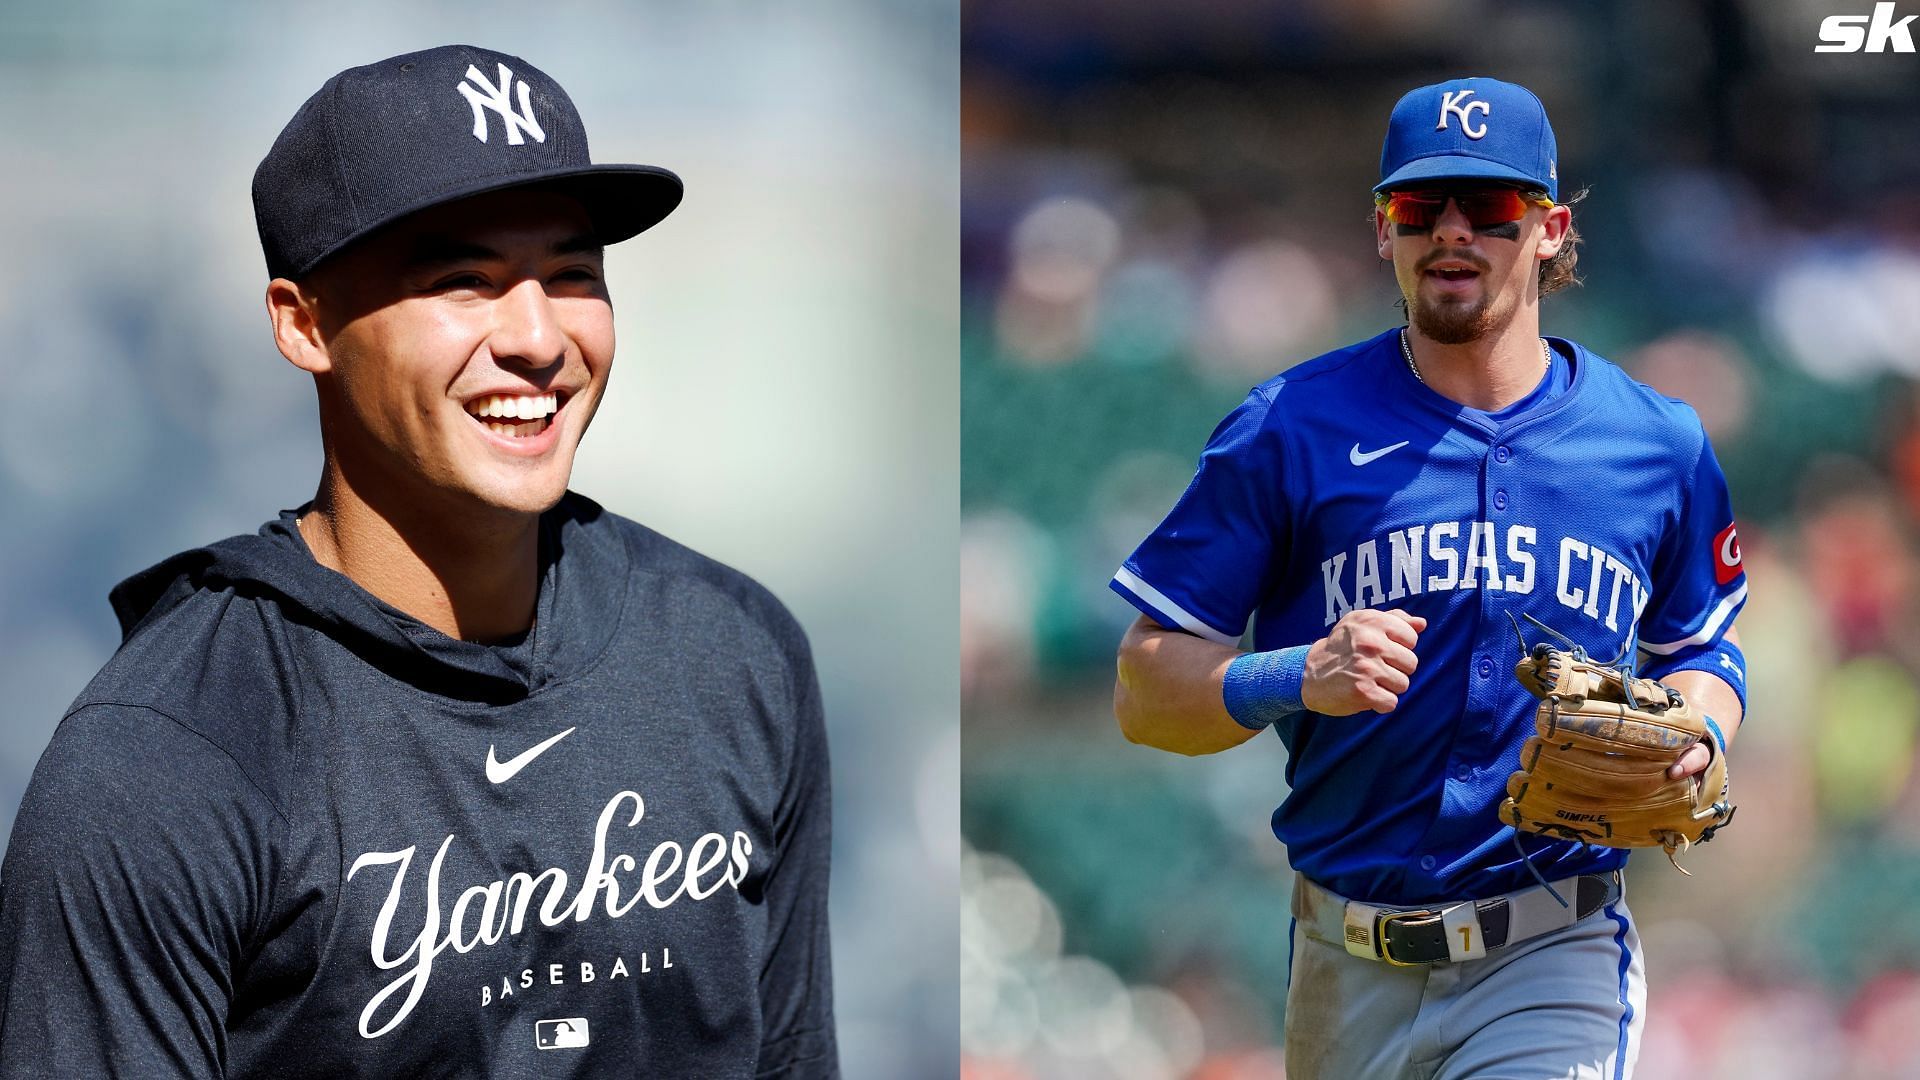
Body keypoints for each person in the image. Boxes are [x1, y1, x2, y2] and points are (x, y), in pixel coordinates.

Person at [0, 45, 836, 1079]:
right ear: (304, 326)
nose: (537, 336)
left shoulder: (733, 652)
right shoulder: (163, 763)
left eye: (573, 274)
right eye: (463, 281)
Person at [1109, 77, 1747, 1079]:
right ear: (1382, 230)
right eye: (1420, 208)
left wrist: (1702, 728)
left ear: (1549, 229)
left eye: (1488, 209)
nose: (1452, 234)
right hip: (1343, 962)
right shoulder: (1289, 426)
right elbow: (1145, 688)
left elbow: (1702, 643)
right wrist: (1292, 676)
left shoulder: (1655, 444)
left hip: (1554, 953)